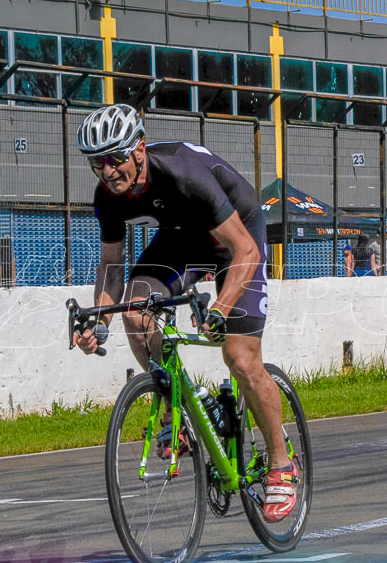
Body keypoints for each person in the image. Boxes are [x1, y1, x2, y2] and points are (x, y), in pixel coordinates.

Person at [70, 103, 298, 522]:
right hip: (183, 239)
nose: (108, 171)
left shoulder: (182, 173)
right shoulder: (108, 196)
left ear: (139, 148)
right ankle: (178, 412)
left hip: (237, 235)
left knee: (240, 357)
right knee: (135, 313)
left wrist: (221, 310)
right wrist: (97, 322)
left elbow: (244, 250)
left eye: (115, 158)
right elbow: (111, 267)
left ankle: (282, 464)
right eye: (97, 163)